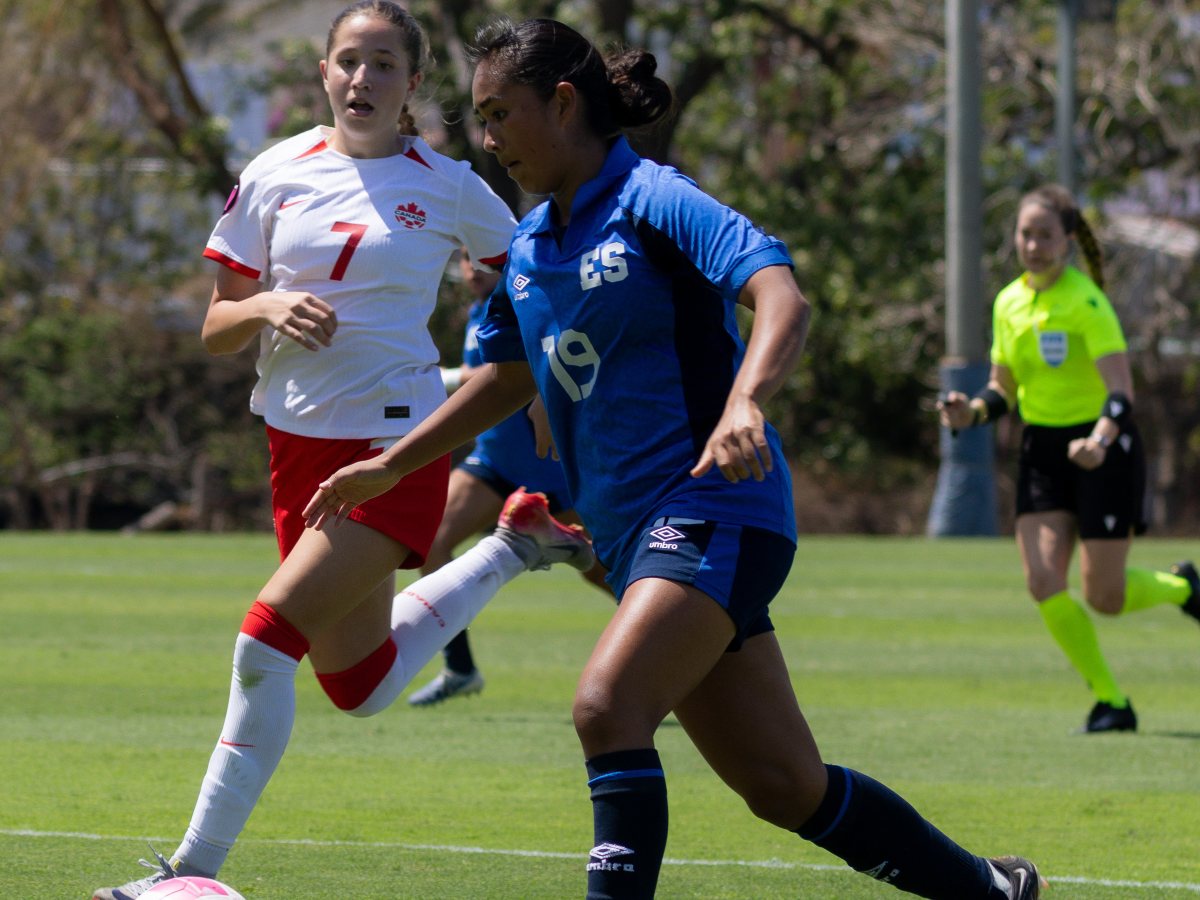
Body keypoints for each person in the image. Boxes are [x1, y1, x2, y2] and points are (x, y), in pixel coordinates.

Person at [304, 18, 1046, 899]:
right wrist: (394, 463)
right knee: (784, 787)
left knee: (605, 708)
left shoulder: (655, 199)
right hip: (636, 545)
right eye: (481, 119)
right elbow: (502, 380)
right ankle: (993, 891)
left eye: (501, 114)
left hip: (717, 510)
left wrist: (746, 402)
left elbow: (781, 297)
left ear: (565, 103)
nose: (491, 141)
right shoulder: (532, 247)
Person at [92, 5, 594, 899]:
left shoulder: (445, 183)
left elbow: (533, 281)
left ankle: (191, 874)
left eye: (385, 64)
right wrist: (264, 308)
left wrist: (536, 388)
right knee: (358, 684)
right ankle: (517, 544)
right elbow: (215, 325)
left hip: (391, 445)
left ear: (412, 84)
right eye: (349, 61)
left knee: (264, 638)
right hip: (293, 447)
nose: (364, 79)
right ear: (324, 73)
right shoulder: (274, 171)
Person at [939, 183, 1199, 735]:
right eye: (1025, 234)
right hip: (1043, 453)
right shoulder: (1008, 302)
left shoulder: (1088, 302)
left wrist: (1099, 441)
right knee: (1042, 580)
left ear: (1067, 242)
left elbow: (1121, 394)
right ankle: (1111, 701)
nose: (1033, 245)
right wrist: (971, 414)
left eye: (1045, 235)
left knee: (1105, 597)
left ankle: (1184, 588)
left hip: (1103, 449)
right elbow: (1001, 390)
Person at [407, 249, 610, 707]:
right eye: (463, 259)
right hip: (494, 465)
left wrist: (440, 378)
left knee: (610, 575)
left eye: (482, 259)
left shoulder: (529, 300)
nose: (473, 268)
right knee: (430, 539)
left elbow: (506, 375)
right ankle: (459, 668)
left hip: (554, 473)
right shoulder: (480, 311)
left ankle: (693, 651)